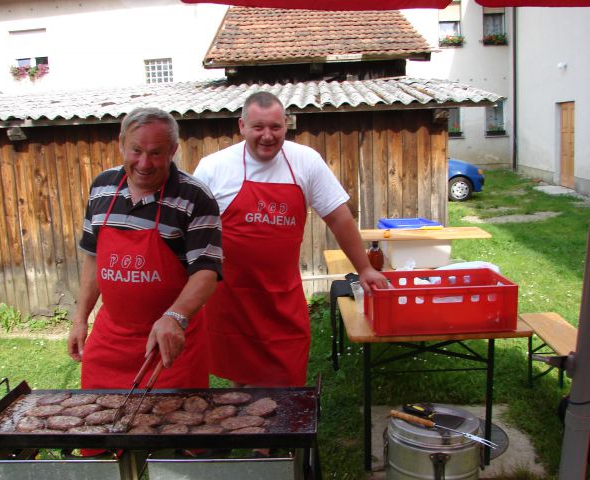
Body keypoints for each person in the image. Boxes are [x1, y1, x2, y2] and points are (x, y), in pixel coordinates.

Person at [193, 91, 387, 388]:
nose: (267, 136)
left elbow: (339, 217)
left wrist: (364, 269)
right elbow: (191, 231)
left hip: (282, 298)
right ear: (242, 126)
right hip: (232, 299)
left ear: (286, 124)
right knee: (241, 385)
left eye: (275, 127)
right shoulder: (213, 167)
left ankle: (282, 432)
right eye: (258, 127)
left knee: (286, 381)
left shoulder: (305, 162)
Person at [68, 107, 222, 391]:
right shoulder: (102, 188)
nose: (144, 163)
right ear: (121, 144)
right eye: (136, 150)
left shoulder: (195, 197)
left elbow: (206, 271)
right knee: (100, 428)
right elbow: (94, 257)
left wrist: (174, 316)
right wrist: (80, 319)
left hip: (170, 345)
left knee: (176, 429)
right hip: (110, 342)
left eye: (156, 153)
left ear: (173, 150)